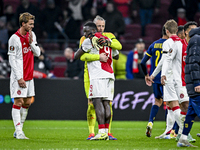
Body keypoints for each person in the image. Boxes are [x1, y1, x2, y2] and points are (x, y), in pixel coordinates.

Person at [79, 15, 121, 140]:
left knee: (107, 103)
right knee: (91, 103)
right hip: (90, 74)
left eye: (103, 26)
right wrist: (98, 57)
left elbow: (118, 46)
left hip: (102, 73)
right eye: (98, 26)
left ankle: (107, 131)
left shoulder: (109, 36)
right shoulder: (85, 38)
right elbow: (83, 56)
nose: (101, 28)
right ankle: (92, 132)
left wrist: (109, 43)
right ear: (93, 26)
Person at [161, 21, 197, 142]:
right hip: (181, 81)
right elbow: (168, 59)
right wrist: (164, 74)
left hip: (193, 80)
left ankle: (182, 133)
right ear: (186, 32)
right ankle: (183, 134)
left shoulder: (196, 44)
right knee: (185, 105)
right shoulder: (178, 44)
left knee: (187, 108)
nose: (195, 32)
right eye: (193, 29)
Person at [8, 12, 40, 139]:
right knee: (18, 101)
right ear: (23, 24)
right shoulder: (14, 39)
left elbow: (37, 53)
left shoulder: (32, 35)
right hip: (19, 76)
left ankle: (19, 129)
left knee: (27, 103)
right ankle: (19, 131)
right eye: (30, 24)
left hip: (29, 75)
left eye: (33, 24)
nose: (32, 26)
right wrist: (18, 77)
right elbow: (11, 60)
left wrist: (31, 42)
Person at [140, 26, 168, 137]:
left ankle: (150, 122)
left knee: (157, 101)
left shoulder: (154, 44)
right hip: (166, 78)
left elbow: (142, 62)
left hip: (155, 78)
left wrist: (147, 75)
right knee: (170, 104)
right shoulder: (171, 44)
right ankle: (169, 129)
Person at [177, 26, 200, 147]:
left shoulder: (196, 39)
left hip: (194, 82)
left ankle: (183, 139)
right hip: (195, 84)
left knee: (190, 113)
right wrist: (197, 83)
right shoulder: (196, 39)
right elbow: (193, 63)